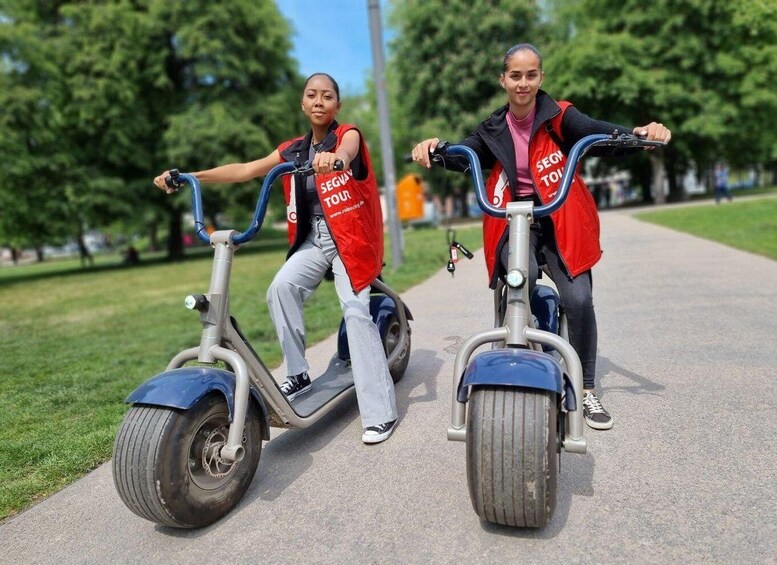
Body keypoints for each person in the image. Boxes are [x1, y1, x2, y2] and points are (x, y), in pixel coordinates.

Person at [411, 43, 671, 430]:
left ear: (540, 78)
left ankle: (585, 388)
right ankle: (522, 346)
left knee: (579, 299)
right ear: (503, 80)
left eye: (531, 75)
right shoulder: (492, 128)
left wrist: (638, 135)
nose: (523, 83)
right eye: (515, 75)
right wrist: (434, 149)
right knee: (522, 277)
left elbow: (598, 132)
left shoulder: (560, 117)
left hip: (559, 218)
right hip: (514, 221)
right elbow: (466, 153)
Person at [153, 73, 398, 444]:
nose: (319, 101)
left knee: (355, 312)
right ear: (302, 103)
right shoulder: (293, 151)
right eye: (312, 95)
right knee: (280, 289)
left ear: (337, 105)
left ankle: (381, 413)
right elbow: (245, 169)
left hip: (349, 240)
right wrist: (189, 176)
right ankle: (298, 374)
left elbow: (348, 151)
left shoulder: (347, 135)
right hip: (314, 239)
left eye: (327, 96)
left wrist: (336, 160)